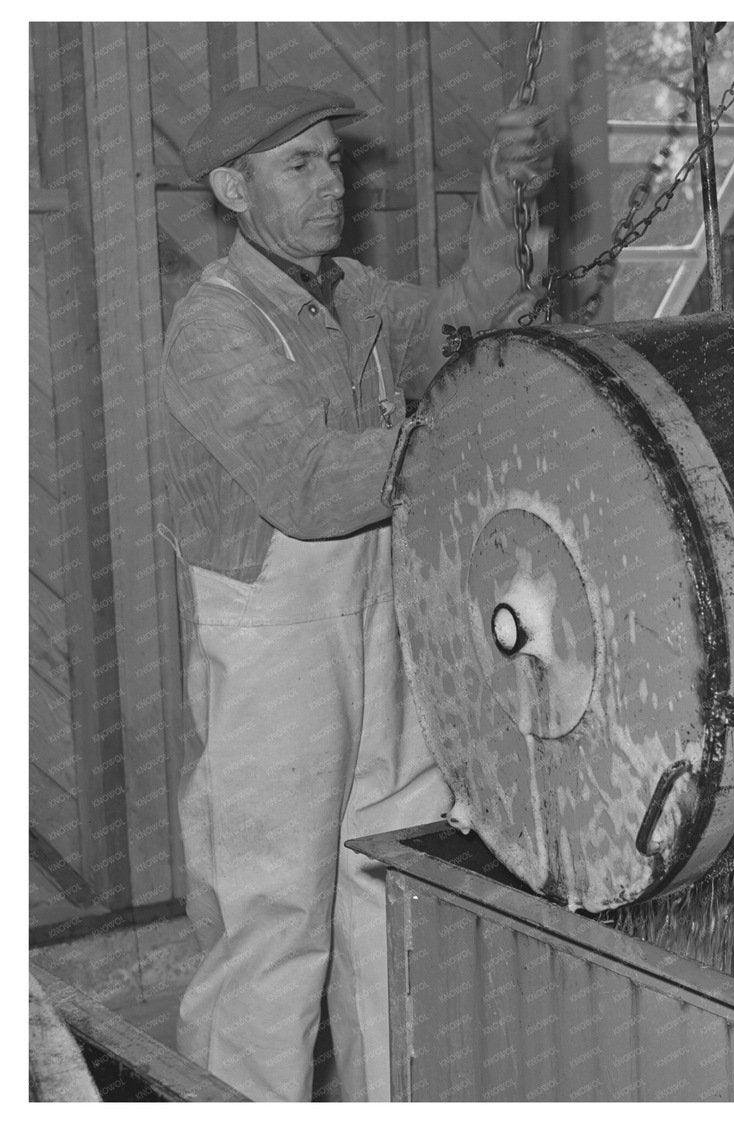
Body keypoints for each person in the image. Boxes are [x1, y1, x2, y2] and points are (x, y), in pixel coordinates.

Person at [161, 83, 552, 1102]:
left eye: (333, 160)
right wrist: (465, 436)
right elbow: (311, 485)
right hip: (275, 638)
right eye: (300, 165)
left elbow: (471, 322)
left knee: (390, 894)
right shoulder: (217, 325)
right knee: (274, 916)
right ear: (231, 188)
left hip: (385, 616)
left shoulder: (356, 295)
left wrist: (506, 197)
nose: (331, 182)